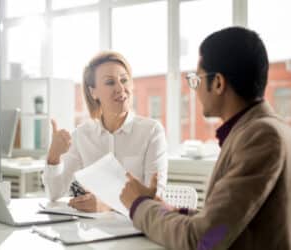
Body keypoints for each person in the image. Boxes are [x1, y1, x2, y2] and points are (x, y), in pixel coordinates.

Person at [120, 26, 291, 249]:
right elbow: (225, 221)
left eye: (197, 80)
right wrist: (162, 208)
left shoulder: (261, 136)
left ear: (218, 83)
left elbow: (204, 240)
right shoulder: (254, 129)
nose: (195, 90)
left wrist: (139, 205)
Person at [42, 51, 168, 212]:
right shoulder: (82, 135)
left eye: (124, 80)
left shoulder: (151, 131)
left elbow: (156, 197)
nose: (120, 88)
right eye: (110, 82)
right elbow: (54, 193)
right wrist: (54, 156)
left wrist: (107, 206)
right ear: (93, 92)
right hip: (91, 231)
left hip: (135, 230)